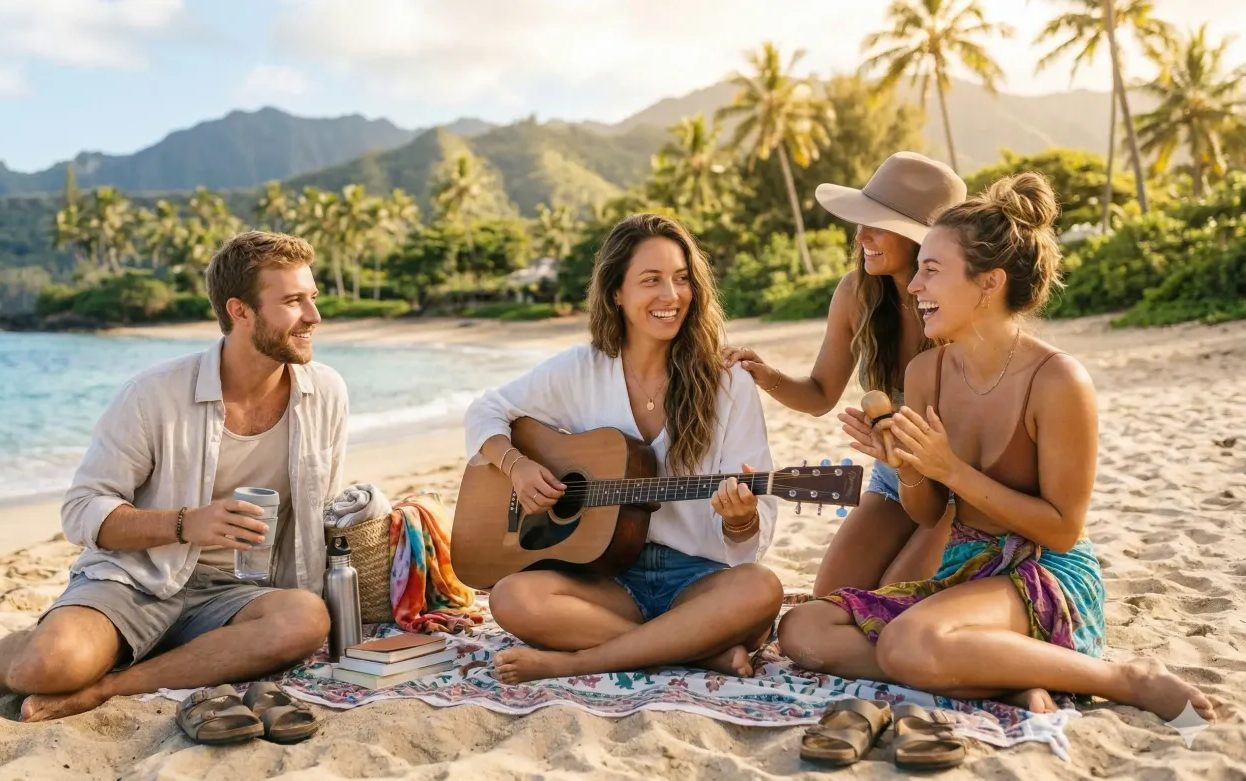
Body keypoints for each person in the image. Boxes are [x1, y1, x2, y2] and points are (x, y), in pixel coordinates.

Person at [777, 173, 1215, 725]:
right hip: (966, 568)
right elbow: (930, 513)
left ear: (989, 284)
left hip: (1042, 572)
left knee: (909, 641)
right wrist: (908, 469)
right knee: (805, 627)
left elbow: (1060, 528)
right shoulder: (925, 372)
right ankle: (1002, 681)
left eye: (931, 271)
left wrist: (951, 469)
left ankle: (1125, 678)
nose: (914, 288)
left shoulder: (1058, 381)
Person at [0, 231, 348, 721]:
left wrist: (386, 519)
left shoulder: (325, 392)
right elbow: (82, 510)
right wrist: (187, 524)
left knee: (305, 621)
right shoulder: (153, 394)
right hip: (137, 578)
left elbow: (326, 507)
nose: (314, 316)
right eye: (293, 301)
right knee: (50, 666)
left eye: (311, 298)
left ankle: (110, 687)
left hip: (241, 592)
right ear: (240, 311)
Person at [466, 213, 784, 685]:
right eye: (650, 280)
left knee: (762, 589)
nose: (670, 296)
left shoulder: (728, 381)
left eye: (681, 279)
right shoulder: (580, 370)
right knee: (511, 598)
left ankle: (580, 661)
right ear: (616, 292)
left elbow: (753, 536)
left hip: (698, 578)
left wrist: (742, 521)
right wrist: (517, 467)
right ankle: (691, 648)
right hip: (607, 579)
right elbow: (485, 411)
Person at [723, 151, 967, 595]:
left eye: (877, 225)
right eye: (861, 222)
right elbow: (819, 395)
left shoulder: (959, 300)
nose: (861, 237)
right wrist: (767, 375)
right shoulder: (856, 293)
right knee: (829, 599)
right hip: (893, 479)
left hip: (957, 483)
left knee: (894, 600)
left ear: (916, 237)